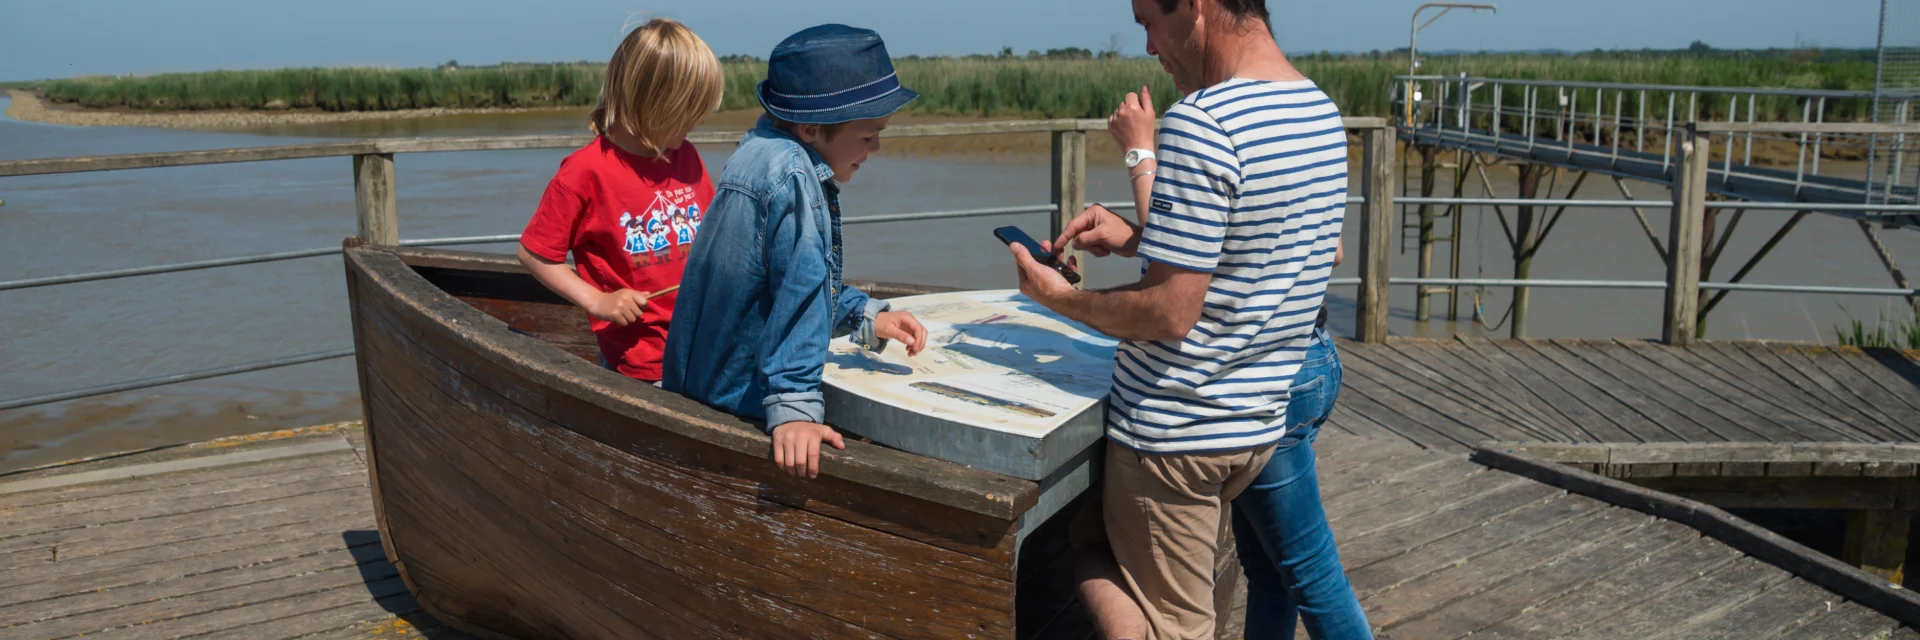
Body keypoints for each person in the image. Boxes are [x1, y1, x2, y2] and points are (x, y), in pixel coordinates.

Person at [1011, 1, 1367, 638]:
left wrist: (1056, 298)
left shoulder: (1203, 122)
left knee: (1138, 594)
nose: (1149, 44)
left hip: (1177, 434)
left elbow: (1169, 313)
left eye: (1148, 19)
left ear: (1197, 8)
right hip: (1255, 426)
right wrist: (1138, 239)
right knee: (1270, 571)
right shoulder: (1320, 109)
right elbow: (1265, 249)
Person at [662, 24, 929, 479]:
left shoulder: (758, 151)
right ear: (810, 128)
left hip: (700, 383)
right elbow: (800, 288)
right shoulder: (794, 179)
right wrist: (795, 407)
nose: (876, 148)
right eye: (867, 137)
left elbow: (777, 274)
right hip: (740, 400)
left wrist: (863, 314)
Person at [517, 18, 723, 384]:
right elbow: (535, 254)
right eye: (686, 114)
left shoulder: (686, 155)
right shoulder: (585, 171)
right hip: (641, 360)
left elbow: (711, 234)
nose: (695, 123)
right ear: (650, 103)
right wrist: (598, 301)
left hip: (705, 343)